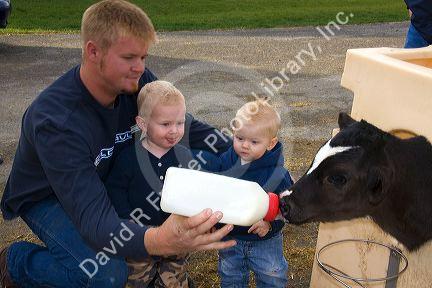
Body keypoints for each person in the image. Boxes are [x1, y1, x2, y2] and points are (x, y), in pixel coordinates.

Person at [0, 1, 234, 287]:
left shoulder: (134, 82)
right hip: (47, 196)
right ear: (93, 51)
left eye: (143, 57)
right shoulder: (57, 122)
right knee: (106, 273)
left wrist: (240, 151)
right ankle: (16, 263)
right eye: (129, 57)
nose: (140, 68)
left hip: (101, 178)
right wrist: (162, 239)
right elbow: (96, 223)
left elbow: (185, 127)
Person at [106, 80, 197, 287]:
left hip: (175, 230)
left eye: (180, 123)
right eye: (165, 124)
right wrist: (127, 220)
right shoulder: (129, 157)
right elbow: (116, 190)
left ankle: (173, 281)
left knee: (174, 274)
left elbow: (192, 190)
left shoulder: (184, 156)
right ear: (143, 124)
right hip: (140, 234)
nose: (174, 131)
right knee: (137, 277)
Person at [216, 100, 293, 287]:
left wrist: (270, 222)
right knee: (231, 277)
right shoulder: (225, 163)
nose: (245, 146)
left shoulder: (277, 174)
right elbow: (216, 192)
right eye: (240, 138)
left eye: (254, 142)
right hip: (231, 238)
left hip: (265, 240)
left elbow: (287, 208)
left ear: (271, 143)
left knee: (271, 277)